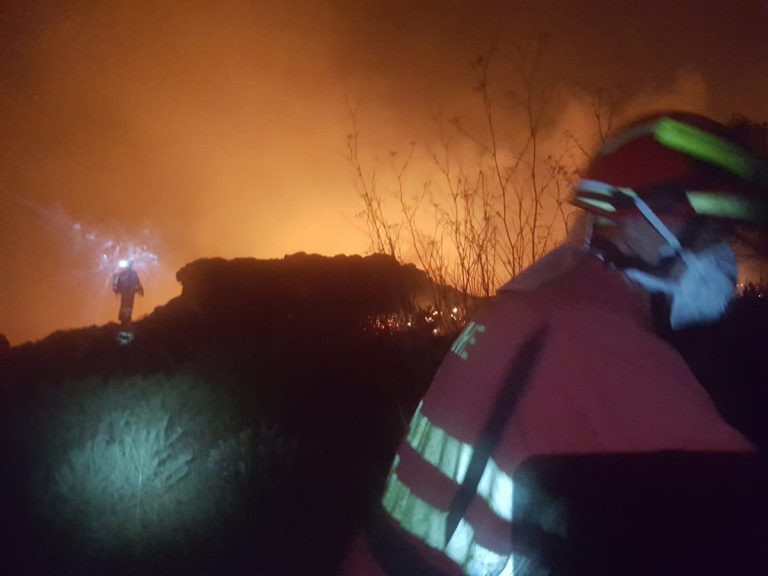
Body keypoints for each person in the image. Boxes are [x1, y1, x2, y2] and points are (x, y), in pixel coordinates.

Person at [339, 112, 768, 575]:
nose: (723, 257)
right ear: (638, 224)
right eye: (710, 233)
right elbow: (742, 510)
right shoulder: (603, 344)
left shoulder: (534, 307)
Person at [112, 259, 144, 326]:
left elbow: (137, 282)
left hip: (130, 292)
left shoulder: (133, 273)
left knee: (129, 306)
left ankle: (127, 319)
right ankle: (124, 320)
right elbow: (117, 282)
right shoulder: (123, 273)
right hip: (126, 292)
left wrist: (139, 289)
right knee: (125, 305)